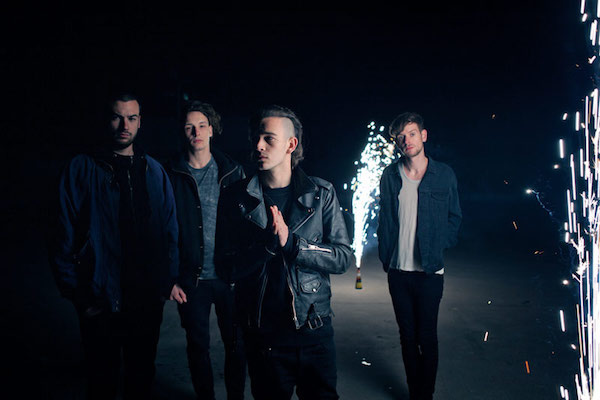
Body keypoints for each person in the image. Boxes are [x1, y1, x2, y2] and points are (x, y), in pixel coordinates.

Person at [49, 93, 183, 399]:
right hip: (100, 298)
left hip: (145, 299)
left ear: (140, 122)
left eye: (131, 118)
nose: (124, 125)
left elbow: (170, 231)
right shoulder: (81, 169)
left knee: (141, 377)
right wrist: (79, 295)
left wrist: (166, 281)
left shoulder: (153, 170)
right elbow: (60, 234)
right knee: (102, 380)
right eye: (116, 117)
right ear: (105, 120)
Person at [215, 105, 354, 400]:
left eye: (269, 138)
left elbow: (342, 257)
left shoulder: (321, 194)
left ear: (291, 145)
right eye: (256, 137)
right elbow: (226, 267)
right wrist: (266, 245)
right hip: (264, 338)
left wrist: (292, 243)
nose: (258, 145)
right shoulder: (236, 198)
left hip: (314, 333)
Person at [377, 112, 462, 400]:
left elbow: (454, 217)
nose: (406, 140)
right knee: (407, 337)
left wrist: (438, 245)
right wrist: (386, 254)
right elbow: (385, 218)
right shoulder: (390, 175)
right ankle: (416, 394)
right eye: (400, 137)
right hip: (398, 271)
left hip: (429, 273)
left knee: (426, 336)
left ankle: (426, 395)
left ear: (423, 135)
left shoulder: (444, 174)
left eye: (411, 133)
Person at [165, 100, 246, 400]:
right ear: (182, 131)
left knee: (236, 344)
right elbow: (160, 229)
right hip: (191, 280)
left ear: (212, 130)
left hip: (229, 278)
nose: (196, 132)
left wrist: (245, 271)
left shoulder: (232, 171)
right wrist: (169, 278)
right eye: (189, 127)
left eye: (201, 125)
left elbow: (247, 227)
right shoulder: (170, 173)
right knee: (198, 346)